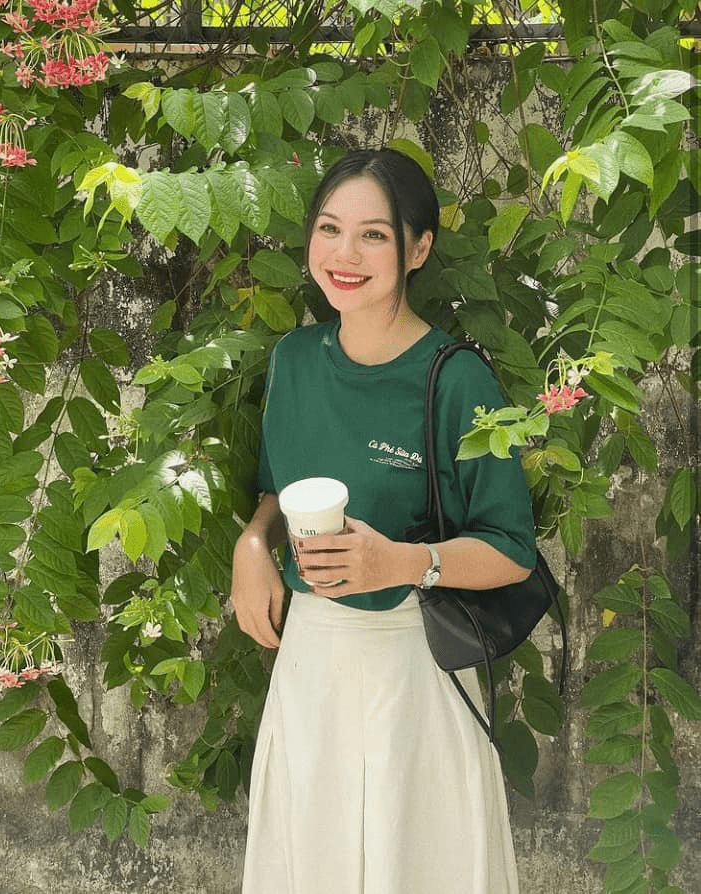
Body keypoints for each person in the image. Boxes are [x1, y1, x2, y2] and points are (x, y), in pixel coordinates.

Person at [231, 147, 537, 894]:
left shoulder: (456, 377)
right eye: (329, 228)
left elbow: (511, 550)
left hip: (414, 664)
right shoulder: (294, 360)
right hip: (311, 662)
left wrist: (400, 562)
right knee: (313, 862)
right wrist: (254, 542)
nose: (344, 254)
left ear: (418, 248)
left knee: (418, 865)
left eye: (373, 234)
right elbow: (278, 486)